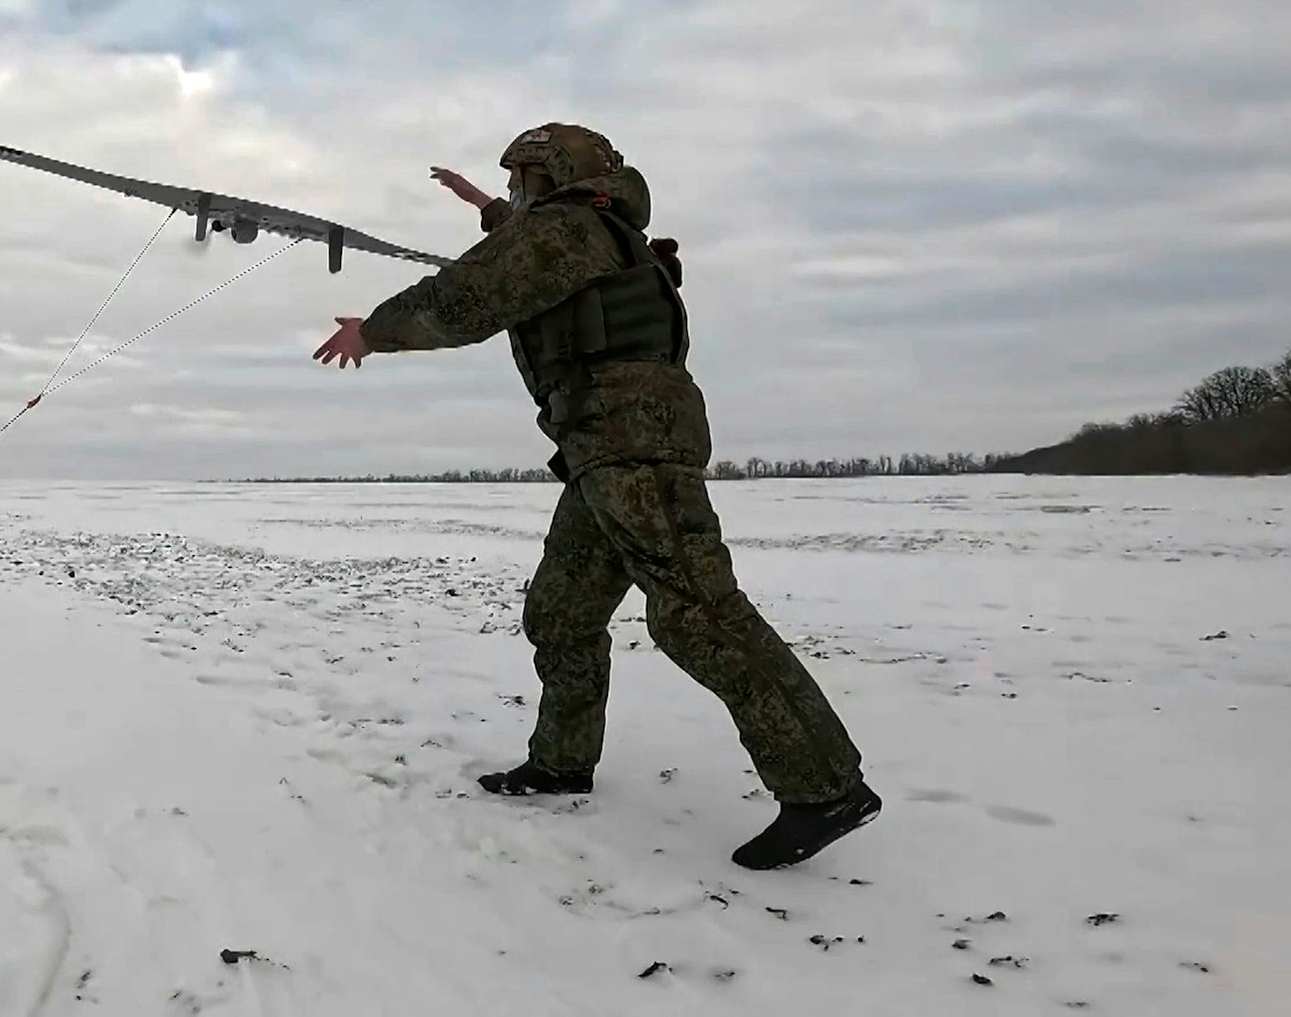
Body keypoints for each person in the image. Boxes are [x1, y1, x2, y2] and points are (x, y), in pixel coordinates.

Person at [313, 123, 880, 870]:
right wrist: (486, 205)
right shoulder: (590, 228)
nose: (516, 195)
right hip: (600, 446)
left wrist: (374, 331)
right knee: (562, 611)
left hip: (631, 440)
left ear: (553, 179)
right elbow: (525, 249)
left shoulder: (568, 231)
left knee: (698, 612)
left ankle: (825, 785)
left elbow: (469, 296)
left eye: (521, 182)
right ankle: (562, 761)